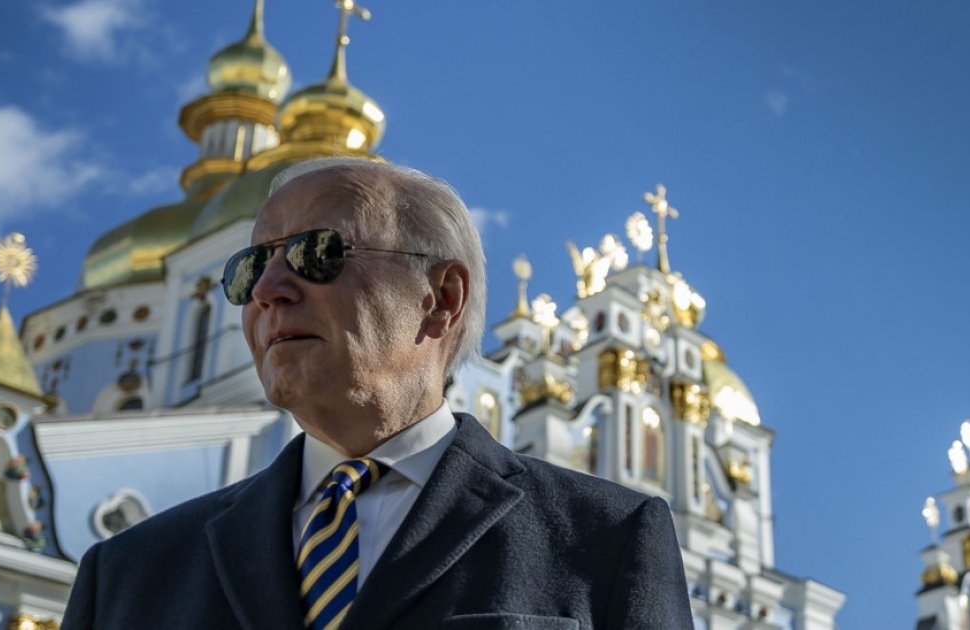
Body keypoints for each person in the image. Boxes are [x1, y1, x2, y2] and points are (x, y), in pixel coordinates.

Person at [63, 159, 695, 629]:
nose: (268, 290)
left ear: (441, 298)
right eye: (250, 267)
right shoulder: (128, 575)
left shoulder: (605, 537)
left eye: (316, 253)